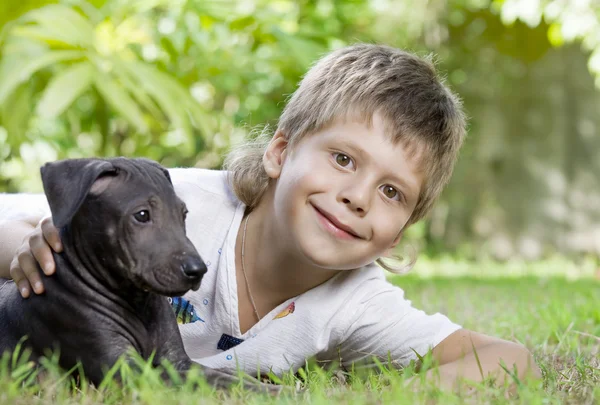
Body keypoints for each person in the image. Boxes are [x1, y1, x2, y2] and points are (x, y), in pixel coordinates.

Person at [0, 44, 540, 391]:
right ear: (280, 153)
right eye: (344, 158)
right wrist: (29, 247)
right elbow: (20, 222)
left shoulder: (355, 301)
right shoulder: (183, 202)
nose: (357, 197)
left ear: (400, 230)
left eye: (392, 191)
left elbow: (509, 359)